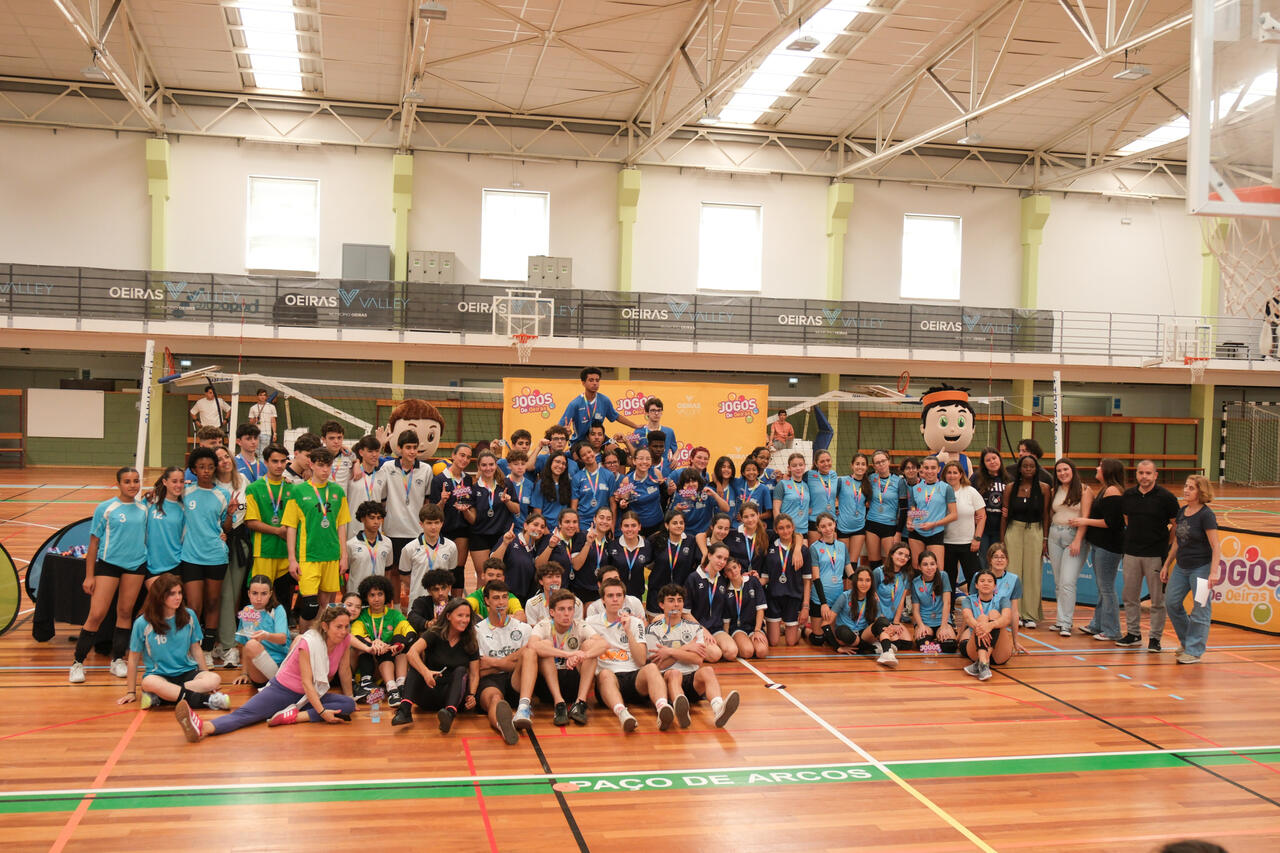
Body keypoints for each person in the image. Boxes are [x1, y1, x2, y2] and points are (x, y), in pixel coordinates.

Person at [175, 600, 354, 740]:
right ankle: (202, 728)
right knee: (245, 715)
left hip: (310, 696)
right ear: (325, 626)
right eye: (338, 626)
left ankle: (292, 716)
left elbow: (345, 670)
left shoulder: (345, 640)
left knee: (348, 704)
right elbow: (307, 683)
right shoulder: (308, 642)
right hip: (283, 690)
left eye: (346, 627)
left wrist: (350, 696)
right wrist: (322, 713)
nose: (343, 631)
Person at [70, 466, 149, 684]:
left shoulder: (144, 509)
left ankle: (117, 660)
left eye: (136, 481)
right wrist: (89, 576)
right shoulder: (106, 508)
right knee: (97, 614)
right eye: (127, 481)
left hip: (135, 566)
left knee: (125, 612)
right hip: (109, 565)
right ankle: (77, 663)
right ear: (118, 484)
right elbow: (94, 543)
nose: (133, 485)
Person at [120, 574, 229, 711]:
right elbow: (133, 658)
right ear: (160, 596)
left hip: (187, 673)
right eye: (172, 594)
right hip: (159, 676)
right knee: (148, 682)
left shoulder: (189, 615)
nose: (178, 597)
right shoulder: (143, 623)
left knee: (214, 679)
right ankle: (208, 701)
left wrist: (207, 681)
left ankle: (161, 697)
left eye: (179, 592)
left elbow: (196, 649)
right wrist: (131, 692)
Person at [587, 577, 675, 732]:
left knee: (652, 668)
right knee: (605, 674)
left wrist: (628, 631)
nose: (615, 599)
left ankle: (662, 708)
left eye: (619, 595)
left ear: (624, 598)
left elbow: (641, 660)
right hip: (609, 679)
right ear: (603, 600)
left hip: (634, 677)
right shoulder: (590, 622)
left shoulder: (636, 623)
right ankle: (623, 714)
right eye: (610, 596)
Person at [645, 585, 740, 728]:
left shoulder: (695, 627)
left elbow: (697, 659)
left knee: (707, 670)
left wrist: (670, 652)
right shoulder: (652, 630)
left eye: (680, 600)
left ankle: (719, 708)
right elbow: (659, 665)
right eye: (671, 600)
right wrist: (687, 648)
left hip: (692, 679)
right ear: (661, 604)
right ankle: (681, 710)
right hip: (667, 680)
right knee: (674, 673)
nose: (676, 604)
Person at [283, 447, 351, 632]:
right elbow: (291, 527)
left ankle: (318, 642)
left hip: (331, 555)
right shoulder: (298, 491)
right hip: (308, 557)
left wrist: (343, 555)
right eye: (320, 465)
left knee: (325, 605)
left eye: (328, 465)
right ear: (311, 465)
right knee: (309, 606)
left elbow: (341, 525)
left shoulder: (337, 491)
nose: (325, 470)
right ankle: (303, 642)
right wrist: (292, 559)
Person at [1117, 460, 1179, 651]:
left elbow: (1176, 524)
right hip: (1131, 553)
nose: (1144, 477)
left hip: (1155, 555)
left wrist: (1165, 544)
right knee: (1130, 596)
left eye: (1148, 473)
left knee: (1157, 600)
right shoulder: (1128, 495)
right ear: (1136, 474)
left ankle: (1155, 638)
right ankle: (1133, 634)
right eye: (1140, 473)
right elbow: (1127, 519)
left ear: (1155, 475)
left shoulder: (1166, 498)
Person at [392, 598, 481, 731]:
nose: (465, 620)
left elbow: (474, 674)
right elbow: (412, 653)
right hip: (430, 688)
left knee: (461, 670)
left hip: (453, 695)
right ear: (448, 616)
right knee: (416, 667)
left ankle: (449, 715)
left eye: (467, 616)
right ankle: (404, 711)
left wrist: (472, 695)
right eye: (460, 615)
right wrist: (426, 672)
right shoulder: (435, 633)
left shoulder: (471, 640)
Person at [179, 447, 232, 666]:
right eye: (201, 467)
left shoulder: (223, 494)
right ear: (193, 469)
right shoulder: (184, 492)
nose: (206, 471)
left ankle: (208, 649)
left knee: (212, 603)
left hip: (215, 556)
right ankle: (192, 648)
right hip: (190, 556)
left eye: (210, 467)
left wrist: (229, 515)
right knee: (193, 605)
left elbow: (225, 527)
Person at [1162, 475, 1221, 664]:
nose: (1186, 490)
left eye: (1191, 488)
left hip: (1202, 569)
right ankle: (1187, 641)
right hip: (1181, 567)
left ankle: (1194, 650)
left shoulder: (1206, 515)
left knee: (1200, 608)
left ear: (1200, 492)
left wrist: (1213, 572)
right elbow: (1178, 540)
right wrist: (1167, 564)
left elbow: (1216, 546)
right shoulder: (1182, 511)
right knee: (1171, 603)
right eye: (1186, 486)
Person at [525, 588, 605, 727]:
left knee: (591, 645)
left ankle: (580, 703)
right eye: (561, 609)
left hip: (573, 683)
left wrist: (583, 655)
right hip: (547, 687)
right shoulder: (543, 625)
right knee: (545, 645)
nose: (567, 614)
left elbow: (603, 644)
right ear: (552, 612)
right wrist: (568, 654)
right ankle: (559, 704)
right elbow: (532, 645)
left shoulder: (580, 625)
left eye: (570, 609)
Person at [474, 581, 536, 744]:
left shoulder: (524, 628)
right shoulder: (477, 631)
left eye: (504, 597)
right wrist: (513, 659)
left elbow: (528, 663)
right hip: (490, 682)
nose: (501, 602)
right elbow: (478, 669)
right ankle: (504, 726)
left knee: (529, 653)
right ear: (487, 601)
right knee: (495, 699)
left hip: (515, 679)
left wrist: (493, 663)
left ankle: (523, 707)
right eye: (496, 598)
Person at [1070, 458, 1126, 641]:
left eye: (1100, 466)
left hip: (1109, 547)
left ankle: (1112, 630)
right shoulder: (1106, 489)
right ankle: (1097, 624)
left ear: (1108, 471)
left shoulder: (1113, 491)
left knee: (1107, 588)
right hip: (1101, 545)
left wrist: (1083, 521)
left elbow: (1112, 523)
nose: (1097, 468)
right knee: (1103, 588)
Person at [376, 429, 433, 606]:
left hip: (415, 531)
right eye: (408, 447)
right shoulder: (388, 468)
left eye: (415, 448)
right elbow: (382, 499)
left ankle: (414, 607)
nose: (412, 451)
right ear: (399, 449)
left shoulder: (426, 469)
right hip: (393, 530)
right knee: (393, 572)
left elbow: (427, 501)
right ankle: (395, 608)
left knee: (414, 572)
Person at [243, 444, 296, 625]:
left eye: (283, 461)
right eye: (274, 461)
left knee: (283, 597)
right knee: (258, 597)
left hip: (285, 552)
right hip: (263, 551)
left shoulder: (292, 489)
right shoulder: (254, 488)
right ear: (265, 462)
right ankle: (250, 633)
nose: (279, 465)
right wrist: (278, 531)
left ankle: (282, 634)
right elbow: (250, 522)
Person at [349, 574, 414, 705]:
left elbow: (411, 634)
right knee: (358, 646)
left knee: (400, 641)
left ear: (386, 596)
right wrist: (374, 644)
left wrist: (397, 645)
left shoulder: (394, 614)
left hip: (389, 663)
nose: (376, 599)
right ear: (366, 597)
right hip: (369, 663)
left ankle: (399, 687)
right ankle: (377, 686)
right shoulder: (362, 616)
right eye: (372, 595)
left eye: (380, 594)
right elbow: (356, 637)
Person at [213, 445, 252, 667]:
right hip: (218, 543)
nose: (224, 461)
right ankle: (225, 644)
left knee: (232, 595)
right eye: (218, 459)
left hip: (241, 543)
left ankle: (226, 644)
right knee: (220, 596)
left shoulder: (243, 480)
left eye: (226, 456)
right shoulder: (213, 486)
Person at [1002, 454, 1050, 628]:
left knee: (1032, 573)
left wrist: (1045, 538)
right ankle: (1014, 613)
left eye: (1032, 466)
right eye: (1025, 466)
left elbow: (1046, 515)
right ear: (1020, 469)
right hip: (1014, 530)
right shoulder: (1010, 488)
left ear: (1036, 469)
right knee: (1013, 572)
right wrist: (1002, 540)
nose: (1028, 469)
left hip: (1035, 531)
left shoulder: (1044, 488)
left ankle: (1029, 615)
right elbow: (1004, 515)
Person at [1047, 458, 1092, 638]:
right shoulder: (1054, 490)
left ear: (1072, 471)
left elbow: (1085, 517)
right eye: (1059, 471)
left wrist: (1078, 540)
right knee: (1059, 582)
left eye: (1065, 469)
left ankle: (1066, 623)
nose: (1062, 473)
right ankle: (1060, 620)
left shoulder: (1085, 490)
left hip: (1074, 536)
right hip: (1054, 535)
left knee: (1067, 581)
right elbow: (1052, 513)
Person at [465, 449, 519, 585]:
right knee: (483, 576)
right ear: (478, 467)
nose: (488, 468)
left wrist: (508, 501)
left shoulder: (506, 484)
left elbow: (517, 510)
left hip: (501, 536)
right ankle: (481, 606)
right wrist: (465, 511)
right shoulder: (474, 489)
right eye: (484, 465)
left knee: (500, 575)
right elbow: (473, 520)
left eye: (491, 464)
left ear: (496, 465)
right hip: (480, 536)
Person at [232, 575, 290, 690]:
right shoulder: (246, 612)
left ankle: (278, 684)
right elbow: (245, 646)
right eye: (254, 593)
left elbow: (282, 638)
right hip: (259, 673)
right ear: (248, 593)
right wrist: (244, 673)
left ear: (270, 594)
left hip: (282, 666)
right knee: (251, 644)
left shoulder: (277, 610)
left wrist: (266, 636)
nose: (259, 598)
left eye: (263, 593)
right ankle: (276, 686)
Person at [958, 569, 1014, 680]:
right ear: (976, 585)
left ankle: (981, 663)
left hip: (999, 652)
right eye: (982, 581)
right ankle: (983, 663)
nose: (986, 583)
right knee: (982, 618)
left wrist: (991, 626)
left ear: (995, 586)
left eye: (989, 581)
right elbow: (968, 618)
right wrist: (981, 627)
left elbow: (1007, 619)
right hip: (975, 646)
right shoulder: (968, 600)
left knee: (994, 614)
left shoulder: (1003, 599)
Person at [430, 442, 474, 583]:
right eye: (462, 455)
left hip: (462, 529)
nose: (465, 460)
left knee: (458, 570)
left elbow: (469, 501)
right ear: (453, 455)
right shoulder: (439, 480)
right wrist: (442, 501)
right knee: (442, 570)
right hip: (444, 530)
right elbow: (433, 513)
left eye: (468, 457)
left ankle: (456, 604)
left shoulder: (467, 479)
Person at [763, 513, 809, 647]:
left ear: (793, 527)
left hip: (793, 598)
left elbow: (807, 581)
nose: (786, 531)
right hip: (773, 598)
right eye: (781, 528)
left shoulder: (803, 551)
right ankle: (779, 628)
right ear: (776, 530)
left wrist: (805, 607)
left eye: (788, 527)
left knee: (790, 642)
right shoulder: (770, 548)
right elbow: (765, 578)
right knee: (774, 642)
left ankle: (798, 630)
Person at [560, 366, 639, 442]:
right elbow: (560, 426)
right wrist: (551, 438)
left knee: (616, 450)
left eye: (597, 380)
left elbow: (616, 416)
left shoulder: (604, 400)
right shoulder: (575, 404)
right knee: (587, 452)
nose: (595, 383)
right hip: (580, 440)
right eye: (591, 380)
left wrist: (635, 426)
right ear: (583, 383)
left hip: (598, 439)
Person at [400, 503, 460, 602]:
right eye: (429, 523)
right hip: (418, 600)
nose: (433, 527)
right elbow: (404, 575)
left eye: (436, 523)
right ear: (421, 524)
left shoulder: (451, 546)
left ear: (442, 523)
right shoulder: (409, 548)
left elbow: (451, 573)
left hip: (442, 600)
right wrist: (420, 587)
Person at [941, 460, 985, 594]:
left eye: (955, 472)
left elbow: (982, 516)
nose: (952, 475)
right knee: (948, 579)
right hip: (946, 543)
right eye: (949, 472)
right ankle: (950, 610)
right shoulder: (939, 491)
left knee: (973, 577)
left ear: (961, 474)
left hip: (968, 543)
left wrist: (977, 538)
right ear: (944, 475)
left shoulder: (970, 491)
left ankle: (976, 608)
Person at [807, 512, 850, 648]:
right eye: (823, 526)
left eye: (830, 525)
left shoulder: (842, 547)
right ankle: (805, 630)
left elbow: (850, 572)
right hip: (820, 598)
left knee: (834, 637)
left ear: (835, 524)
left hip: (837, 597)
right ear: (818, 529)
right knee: (819, 639)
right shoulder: (814, 548)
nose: (828, 529)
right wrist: (823, 603)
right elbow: (816, 578)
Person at [907, 456, 957, 572]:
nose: (930, 471)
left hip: (935, 532)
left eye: (933, 468)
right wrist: (909, 521)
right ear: (922, 469)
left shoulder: (946, 488)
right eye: (926, 468)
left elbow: (954, 515)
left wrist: (934, 524)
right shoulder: (915, 488)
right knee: (917, 568)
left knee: (937, 570)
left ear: (939, 469)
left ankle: (937, 591)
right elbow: (914, 509)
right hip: (917, 532)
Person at [685, 542, 733, 661]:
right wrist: (702, 630)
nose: (722, 562)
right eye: (719, 557)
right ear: (710, 555)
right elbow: (685, 612)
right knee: (715, 655)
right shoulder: (693, 578)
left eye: (725, 559)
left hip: (716, 628)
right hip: (697, 628)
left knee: (731, 652)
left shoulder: (722, 580)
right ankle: (688, 645)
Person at [644, 509, 697, 617]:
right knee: (655, 629)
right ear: (667, 525)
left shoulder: (691, 541)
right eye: (674, 523)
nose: (678, 526)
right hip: (657, 594)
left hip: (679, 596)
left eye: (681, 523)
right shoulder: (656, 540)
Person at [865, 450, 905, 573]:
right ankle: (875, 589)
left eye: (883, 461)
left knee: (891, 562)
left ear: (888, 461)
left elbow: (904, 509)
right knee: (874, 563)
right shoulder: (870, 479)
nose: (881, 464)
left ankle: (891, 589)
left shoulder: (899, 481)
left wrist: (898, 532)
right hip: (872, 523)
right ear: (874, 466)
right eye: (877, 462)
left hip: (889, 525)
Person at [145, 467, 187, 588]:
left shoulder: (183, 508)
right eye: (174, 481)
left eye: (181, 481)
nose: (178, 485)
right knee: (157, 603)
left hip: (175, 564)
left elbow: (185, 537)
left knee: (170, 604)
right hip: (151, 565)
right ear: (164, 482)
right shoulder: (150, 502)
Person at [612, 447, 664, 537]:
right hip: (637, 528)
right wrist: (622, 504)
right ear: (634, 461)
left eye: (648, 459)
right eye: (641, 458)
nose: (644, 462)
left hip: (658, 524)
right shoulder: (627, 480)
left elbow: (664, 494)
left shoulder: (656, 473)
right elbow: (624, 503)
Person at [722, 557, 768, 659]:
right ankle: (741, 643)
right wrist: (727, 639)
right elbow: (726, 619)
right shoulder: (726, 590)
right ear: (725, 574)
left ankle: (749, 641)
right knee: (747, 652)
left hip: (754, 627)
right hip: (738, 628)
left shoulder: (753, 582)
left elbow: (760, 609)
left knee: (762, 652)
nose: (733, 572)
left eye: (734, 567)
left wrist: (757, 630)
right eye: (729, 570)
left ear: (739, 567)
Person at [910, 552, 957, 653]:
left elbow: (947, 603)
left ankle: (937, 641)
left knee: (950, 646)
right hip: (925, 621)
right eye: (925, 564)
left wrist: (944, 626)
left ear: (936, 565)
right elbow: (915, 609)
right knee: (922, 644)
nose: (929, 567)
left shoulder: (943, 576)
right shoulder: (915, 582)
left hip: (942, 620)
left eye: (932, 564)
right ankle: (935, 642)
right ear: (919, 567)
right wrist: (921, 626)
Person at [872, 542, 914, 656]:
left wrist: (896, 622)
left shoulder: (906, 575)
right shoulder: (878, 572)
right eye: (900, 553)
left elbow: (901, 600)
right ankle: (877, 641)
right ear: (891, 554)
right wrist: (881, 619)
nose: (903, 558)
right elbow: (872, 597)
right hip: (878, 618)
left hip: (892, 618)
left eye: (906, 556)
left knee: (907, 644)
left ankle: (880, 642)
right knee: (895, 640)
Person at [970, 447, 1009, 567]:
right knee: (983, 560)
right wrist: (973, 516)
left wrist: (1009, 512)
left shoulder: (1008, 479)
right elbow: (969, 499)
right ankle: (983, 583)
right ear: (984, 464)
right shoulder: (976, 478)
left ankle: (996, 584)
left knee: (997, 559)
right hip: (983, 529)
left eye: (994, 458)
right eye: (988, 460)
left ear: (1000, 460)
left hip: (1000, 528)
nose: (992, 462)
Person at [345, 501, 394, 594]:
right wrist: (346, 594)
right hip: (356, 595)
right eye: (372, 518)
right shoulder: (351, 544)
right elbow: (343, 574)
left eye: (379, 518)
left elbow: (388, 571)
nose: (376, 522)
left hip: (378, 595)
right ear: (363, 519)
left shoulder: (387, 542)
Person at [571, 441, 616, 529]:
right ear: (580, 459)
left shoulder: (608, 475)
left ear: (594, 452)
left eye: (589, 452)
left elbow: (613, 504)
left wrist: (612, 527)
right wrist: (575, 527)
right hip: (584, 523)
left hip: (603, 522)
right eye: (583, 455)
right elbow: (574, 506)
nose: (588, 456)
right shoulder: (577, 477)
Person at [625, 397, 678, 467]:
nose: (656, 413)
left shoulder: (669, 431)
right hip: (644, 468)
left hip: (663, 469)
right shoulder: (639, 431)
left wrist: (674, 458)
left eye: (659, 410)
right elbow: (633, 452)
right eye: (653, 410)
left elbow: (676, 450)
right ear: (647, 413)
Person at [407, 568, 456, 633]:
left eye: (443, 588)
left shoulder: (456, 603)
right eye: (436, 589)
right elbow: (412, 617)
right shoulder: (421, 602)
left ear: (449, 587)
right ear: (429, 591)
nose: (440, 593)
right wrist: (428, 624)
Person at [531, 452, 573, 528]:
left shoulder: (567, 484)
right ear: (550, 463)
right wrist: (547, 533)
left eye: (564, 464)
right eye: (557, 462)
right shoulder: (541, 484)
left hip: (563, 530)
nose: (560, 466)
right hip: (546, 530)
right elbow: (537, 513)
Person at [774, 452, 811, 537]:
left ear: (805, 466)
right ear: (789, 468)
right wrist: (780, 528)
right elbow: (776, 510)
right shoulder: (782, 484)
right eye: (794, 466)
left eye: (801, 465)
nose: (798, 468)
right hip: (787, 531)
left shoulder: (806, 486)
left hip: (803, 530)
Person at [735, 459, 773, 529]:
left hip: (755, 526)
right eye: (748, 470)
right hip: (738, 525)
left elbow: (769, 514)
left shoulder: (764, 489)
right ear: (743, 473)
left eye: (754, 470)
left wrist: (751, 518)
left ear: (758, 472)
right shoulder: (738, 483)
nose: (751, 472)